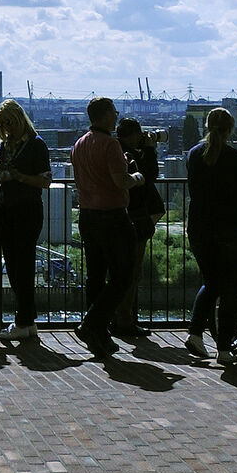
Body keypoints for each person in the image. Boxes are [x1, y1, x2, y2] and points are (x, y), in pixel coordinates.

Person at [184, 107, 237, 360]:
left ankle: (195, 334)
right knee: (228, 287)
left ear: (206, 126)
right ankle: (224, 347)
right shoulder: (235, 157)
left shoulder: (193, 155)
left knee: (210, 281)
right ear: (230, 129)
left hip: (199, 227)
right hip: (229, 228)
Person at [71, 96, 133, 354]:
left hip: (87, 215)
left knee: (95, 275)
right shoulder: (110, 144)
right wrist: (137, 177)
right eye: (114, 112)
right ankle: (92, 323)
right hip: (112, 215)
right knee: (123, 275)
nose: (117, 116)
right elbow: (121, 181)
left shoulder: (79, 144)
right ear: (106, 115)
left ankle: (99, 333)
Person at [0, 100, 52, 342]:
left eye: (10, 122)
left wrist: (18, 176)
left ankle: (23, 321)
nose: (7, 127)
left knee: (21, 266)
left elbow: (45, 181)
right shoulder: (7, 145)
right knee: (16, 266)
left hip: (26, 210)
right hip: (8, 210)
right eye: (3, 123)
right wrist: (3, 170)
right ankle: (27, 319)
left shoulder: (36, 145)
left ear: (20, 120)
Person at [117, 116, 164, 340]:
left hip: (122, 215)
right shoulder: (131, 155)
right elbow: (150, 174)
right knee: (132, 271)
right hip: (136, 216)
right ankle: (125, 320)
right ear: (133, 135)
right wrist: (151, 149)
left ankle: (119, 318)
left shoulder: (117, 150)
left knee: (121, 270)